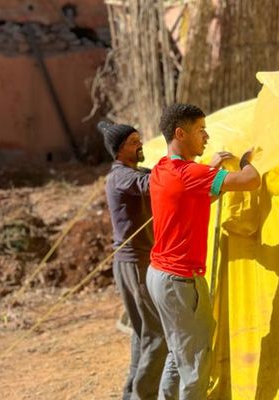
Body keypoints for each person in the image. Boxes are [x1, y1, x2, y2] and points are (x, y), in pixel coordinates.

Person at [146, 103, 261, 399]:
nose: (206, 137)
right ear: (180, 134)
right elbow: (251, 181)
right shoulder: (189, 174)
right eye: (200, 131)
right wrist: (246, 161)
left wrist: (208, 172)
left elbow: (190, 201)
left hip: (159, 276)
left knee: (178, 353)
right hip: (180, 282)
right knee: (195, 365)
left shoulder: (161, 169)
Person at [98, 121, 179, 400]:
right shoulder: (121, 176)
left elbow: (152, 175)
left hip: (134, 261)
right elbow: (151, 184)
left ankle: (130, 392)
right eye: (134, 141)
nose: (140, 144)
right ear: (121, 150)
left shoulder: (129, 172)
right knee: (157, 334)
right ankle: (142, 396)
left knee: (142, 331)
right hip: (134, 263)